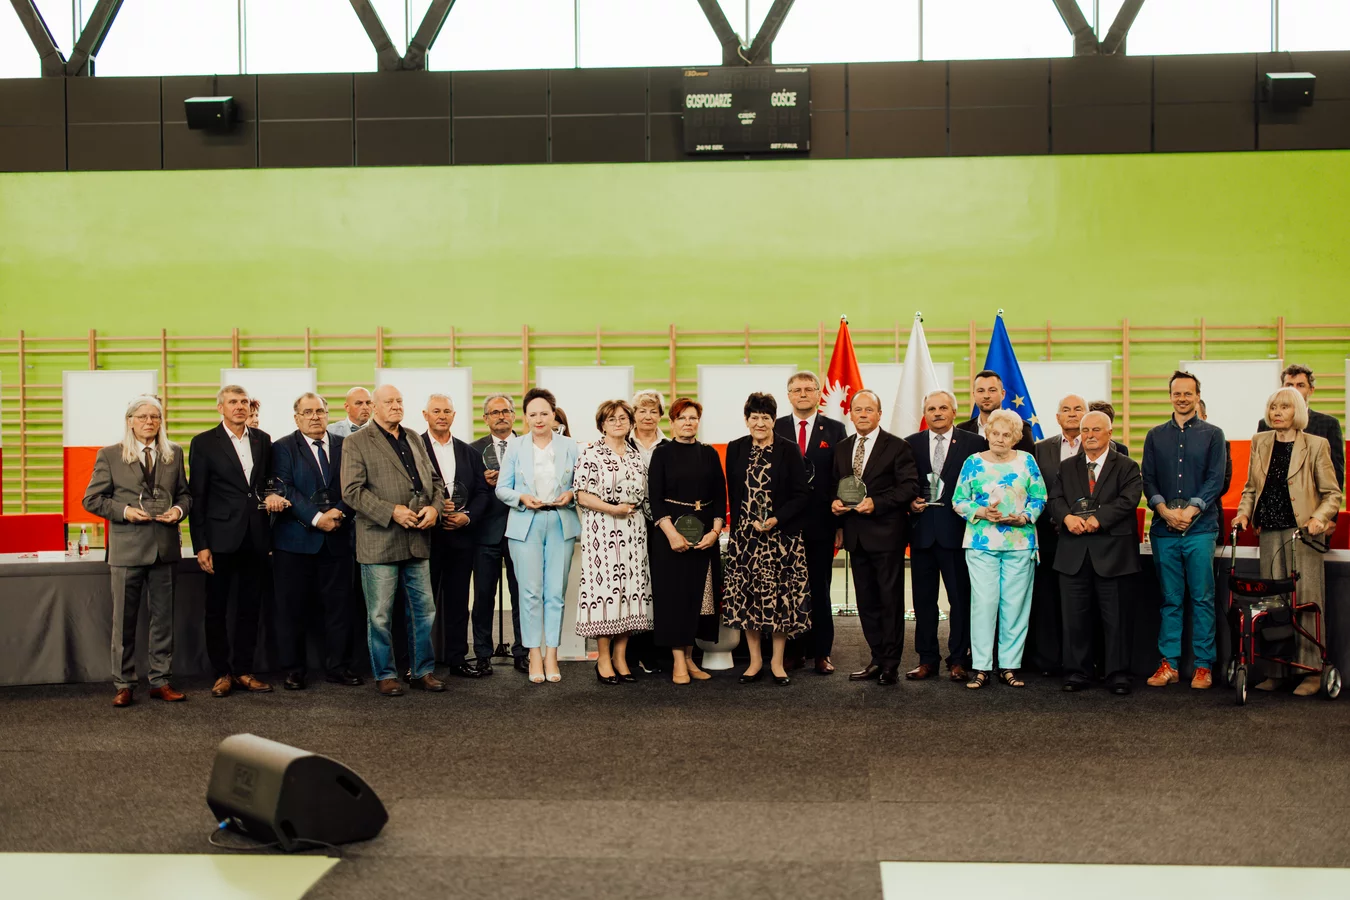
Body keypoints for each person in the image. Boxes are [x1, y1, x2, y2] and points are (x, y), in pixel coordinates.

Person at [82, 395, 191, 707]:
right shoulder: (110, 455)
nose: (149, 422)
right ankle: (124, 683)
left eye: (155, 417)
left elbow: (185, 495)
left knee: (164, 621)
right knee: (124, 622)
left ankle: (160, 680)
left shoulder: (173, 453)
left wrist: (178, 511)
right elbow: (92, 499)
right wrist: (125, 511)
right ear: (130, 421)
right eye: (142, 416)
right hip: (127, 550)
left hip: (164, 550)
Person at [1233, 387, 1342, 696]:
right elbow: (1250, 488)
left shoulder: (1316, 445)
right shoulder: (1260, 441)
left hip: (1302, 534)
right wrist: (1243, 513)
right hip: (1269, 532)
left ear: (1298, 412)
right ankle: (1277, 670)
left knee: (1305, 602)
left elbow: (1332, 494)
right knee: (1274, 604)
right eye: (1273, 407)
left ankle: (1311, 671)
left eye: (1284, 407)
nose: (1277, 412)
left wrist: (1319, 517)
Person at [340, 384, 446, 696]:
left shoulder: (413, 437)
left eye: (399, 401)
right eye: (389, 402)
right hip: (380, 541)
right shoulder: (356, 442)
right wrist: (391, 511)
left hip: (418, 538)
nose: (396, 406)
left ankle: (422, 671)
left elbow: (435, 481)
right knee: (380, 616)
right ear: (374, 406)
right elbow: (352, 492)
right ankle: (385, 674)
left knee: (424, 612)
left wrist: (435, 508)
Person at [268, 392, 362, 691]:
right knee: (292, 610)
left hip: (338, 539)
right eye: (307, 412)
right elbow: (285, 487)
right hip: (294, 542)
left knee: (339, 609)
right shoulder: (283, 447)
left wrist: (340, 512)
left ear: (327, 414)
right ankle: (294, 670)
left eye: (319, 411)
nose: (314, 417)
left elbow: (356, 485)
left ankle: (338, 667)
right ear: (297, 418)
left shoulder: (347, 444)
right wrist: (316, 518)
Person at [1141, 370, 1227, 690]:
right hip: (1164, 530)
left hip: (1200, 529)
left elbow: (1215, 479)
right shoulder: (1154, 435)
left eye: (1188, 393)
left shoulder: (1214, 434)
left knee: (1203, 598)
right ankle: (1169, 664)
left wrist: (1191, 511)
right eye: (1176, 393)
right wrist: (1164, 510)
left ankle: (1203, 665)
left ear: (1197, 396)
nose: (1182, 398)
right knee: (1170, 599)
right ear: (1170, 396)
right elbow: (1148, 479)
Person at [1048, 411, 1143, 695]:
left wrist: (1098, 519)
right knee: (1074, 618)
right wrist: (1066, 518)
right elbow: (1055, 498)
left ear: (1110, 433)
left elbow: (1129, 499)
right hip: (1073, 554)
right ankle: (1077, 672)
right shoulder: (1067, 466)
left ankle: (1117, 674)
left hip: (1113, 555)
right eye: (1085, 430)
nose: (1089, 435)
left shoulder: (1127, 465)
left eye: (1096, 430)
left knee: (1115, 619)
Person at [188, 385, 274, 699]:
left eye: (244, 402)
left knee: (250, 609)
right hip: (219, 539)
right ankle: (222, 673)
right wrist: (201, 545)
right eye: (233, 402)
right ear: (220, 408)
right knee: (217, 610)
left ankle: (243, 670)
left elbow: (267, 487)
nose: (239, 406)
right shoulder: (203, 442)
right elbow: (198, 496)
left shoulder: (263, 440)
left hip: (256, 537)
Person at [952, 409, 1046, 690]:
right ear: (987, 434)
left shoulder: (1027, 461)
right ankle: (981, 667)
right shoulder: (973, 462)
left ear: (1015, 438)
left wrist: (1024, 517)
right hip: (981, 543)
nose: (1000, 439)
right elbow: (958, 500)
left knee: (1015, 606)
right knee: (984, 604)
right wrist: (981, 511)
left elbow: (1040, 497)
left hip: (1020, 543)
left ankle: (1009, 666)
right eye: (995, 433)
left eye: (1006, 435)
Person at [831, 390, 919, 686]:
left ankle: (891, 664)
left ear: (880, 414)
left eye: (869, 409)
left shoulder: (897, 446)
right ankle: (877, 658)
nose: (863, 414)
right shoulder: (842, 447)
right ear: (851, 414)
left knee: (889, 601)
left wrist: (877, 503)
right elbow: (834, 485)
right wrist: (834, 505)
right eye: (858, 409)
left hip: (886, 535)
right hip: (855, 537)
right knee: (866, 603)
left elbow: (909, 487)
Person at [724, 392, 811, 685]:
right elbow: (734, 492)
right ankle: (755, 662)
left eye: (765, 417)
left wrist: (776, 519)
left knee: (780, 600)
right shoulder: (736, 448)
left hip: (780, 539)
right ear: (746, 419)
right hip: (745, 539)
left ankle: (776, 662)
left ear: (774, 420)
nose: (759, 423)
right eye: (754, 417)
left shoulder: (789, 449)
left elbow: (801, 495)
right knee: (748, 598)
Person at [495, 387, 580, 684]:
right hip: (525, 523)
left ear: (554, 415)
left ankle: (552, 655)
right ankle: (533, 654)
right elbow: (501, 488)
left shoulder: (570, 446)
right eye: (533, 414)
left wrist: (572, 494)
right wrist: (520, 497)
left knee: (555, 593)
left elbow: (582, 484)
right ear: (526, 417)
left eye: (544, 413)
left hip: (560, 522)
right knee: (529, 593)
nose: (539, 419)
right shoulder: (515, 447)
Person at [905, 389, 986, 682]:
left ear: (954, 411)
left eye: (942, 408)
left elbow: (982, 484)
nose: (937, 413)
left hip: (958, 533)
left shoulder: (975, 443)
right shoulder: (910, 444)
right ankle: (927, 660)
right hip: (922, 533)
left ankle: (959, 659)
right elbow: (904, 482)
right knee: (923, 602)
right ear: (924, 414)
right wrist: (910, 501)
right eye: (931, 409)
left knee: (960, 600)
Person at [647, 398, 727, 685]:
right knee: (674, 599)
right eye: (681, 418)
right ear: (671, 422)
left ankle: (690, 658)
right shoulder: (661, 454)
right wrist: (672, 534)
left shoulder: (709, 453)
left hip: (704, 537)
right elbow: (655, 498)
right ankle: (678, 661)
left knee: (700, 600)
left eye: (693, 418)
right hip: (670, 537)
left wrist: (715, 533)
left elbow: (720, 496)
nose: (688, 423)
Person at [574, 399, 654, 684]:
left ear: (630, 422)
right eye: (612, 419)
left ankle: (621, 657)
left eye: (623, 418)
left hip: (634, 532)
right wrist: (612, 509)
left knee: (629, 593)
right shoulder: (591, 453)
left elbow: (645, 495)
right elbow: (582, 495)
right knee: (605, 595)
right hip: (603, 532)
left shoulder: (635, 455)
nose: (618, 423)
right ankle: (604, 658)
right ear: (602, 424)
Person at [775, 370, 847, 675]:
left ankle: (821, 652)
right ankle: (793, 651)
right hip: (784, 525)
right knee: (788, 589)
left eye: (808, 389)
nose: (803, 394)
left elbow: (841, 476)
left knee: (819, 588)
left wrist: (841, 525)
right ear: (789, 395)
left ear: (819, 394)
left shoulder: (835, 429)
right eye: (797, 389)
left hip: (822, 523)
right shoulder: (775, 427)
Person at [421, 393, 490, 678]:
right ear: (425, 415)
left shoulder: (468, 452)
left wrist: (467, 517)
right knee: (421, 604)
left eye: (447, 411)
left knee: (459, 603)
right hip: (425, 538)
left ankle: (457, 658)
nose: (441, 416)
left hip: (461, 538)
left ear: (454, 415)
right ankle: (418, 663)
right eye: (436, 411)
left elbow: (482, 492)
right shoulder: (414, 449)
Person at [1026, 394, 1088, 676]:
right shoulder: (1040, 449)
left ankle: (1084, 660)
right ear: (1057, 417)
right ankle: (1049, 661)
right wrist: (1057, 518)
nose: (1072, 413)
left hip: (1088, 537)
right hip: (1049, 536)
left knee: (1083, 603)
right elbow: (1034, 489)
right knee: (1048, 600)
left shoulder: (1103, 446)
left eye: (1078, 409)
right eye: (1066, 409)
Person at [471, 394, 528, 674]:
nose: (501, 416)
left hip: (522, 529)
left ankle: (523, 652)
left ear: (514, 415)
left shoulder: (529, 445)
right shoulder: (473, 450)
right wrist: (481, 481)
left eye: (506, 411)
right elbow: (466, 488)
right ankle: (482, 654)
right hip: (485, 533)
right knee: (483, 597)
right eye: (495, 412)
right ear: (486, 418)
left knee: (522, 596)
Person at [627, 389, 670, 675]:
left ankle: (655, 649)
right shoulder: (622, 442)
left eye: (653, 411)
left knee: (658, 583)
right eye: (642, 410)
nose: (647, 416)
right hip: (628, 522)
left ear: (661, 415)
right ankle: (631, 650)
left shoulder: (669, 445)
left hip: (661, 524)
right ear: (633, 414)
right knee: (633, 585)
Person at [1255, 364, 1344, 488]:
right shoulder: (1266, 424)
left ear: (1311, 390)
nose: (1294, 390)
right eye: (1289, 385)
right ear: (1282, 389)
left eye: (1300, 385)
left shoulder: (1328, 424)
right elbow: (1258, 472)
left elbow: (1335, 472)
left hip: (1312, 498)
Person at [956, 369, 1035, 454]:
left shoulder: (1021, 428)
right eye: (981, 391)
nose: (986, 396)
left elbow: (1026, 460)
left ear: (1003, 394)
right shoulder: (962, 429)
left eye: (992, 390)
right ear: (974, 395)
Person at [1197, 399, 1233, 497]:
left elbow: (1223, 483)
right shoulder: (1172, 444)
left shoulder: (1220, 443)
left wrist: (1197, 501)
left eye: (1195, 414)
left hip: (1209, 503)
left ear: (1204, 417)